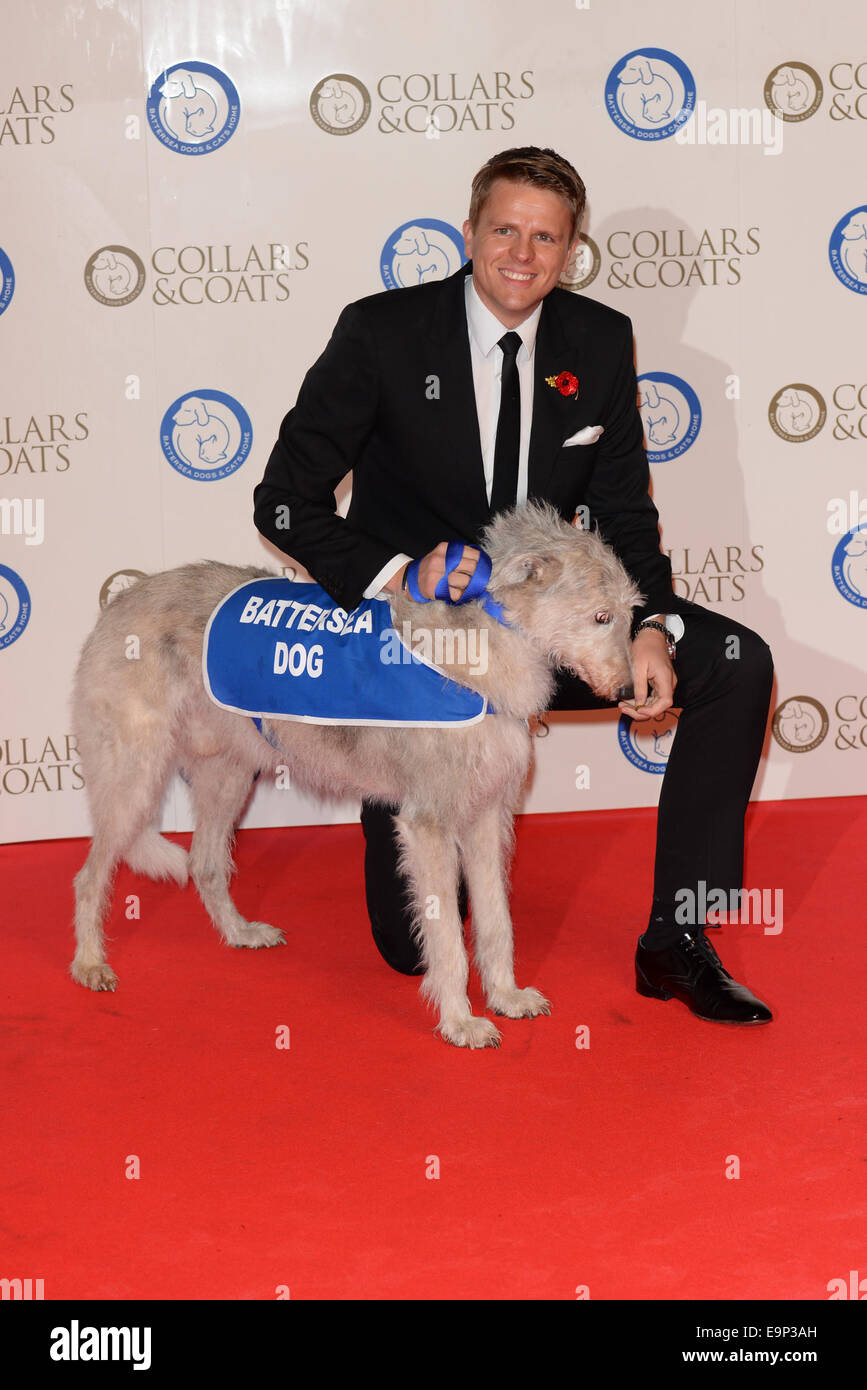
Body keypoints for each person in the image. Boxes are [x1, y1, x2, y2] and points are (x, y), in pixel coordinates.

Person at [254, 146, 774, 1026]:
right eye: (505, 230)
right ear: (468, 232)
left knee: (736, 659)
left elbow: (621, 510)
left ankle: (677, 940)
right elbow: (284, 501)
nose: (523, 255)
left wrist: (647, 623)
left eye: (546, 237)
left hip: (547, 632)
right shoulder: (381, 333)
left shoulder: (598, 339)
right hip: (426, 648)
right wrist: (392, 574)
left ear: (570, 249)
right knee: (402, 941)